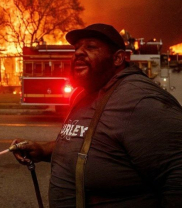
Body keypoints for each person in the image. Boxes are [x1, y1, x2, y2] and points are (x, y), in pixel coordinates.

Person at [11, 23, 182, 207]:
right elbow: (89, 141)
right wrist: (44, 150)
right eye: (77, 48)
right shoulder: (86, 94)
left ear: (117, 58)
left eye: (91, 47)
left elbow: (176, 174)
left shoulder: (140, 100)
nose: (78, 53)